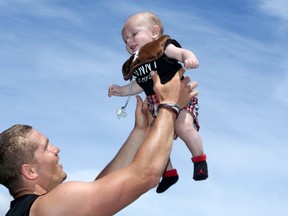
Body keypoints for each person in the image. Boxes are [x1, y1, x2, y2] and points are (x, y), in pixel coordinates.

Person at [0, 69, 198, 216]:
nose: (56, 149)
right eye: (45, 147)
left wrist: (140, 131)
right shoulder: (47, 208)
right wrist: (170, 105)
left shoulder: (31, 210)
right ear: (30, 171)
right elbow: (145, 175)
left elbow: (101, 189)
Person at [108, 11, 208, 193]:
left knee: (183, 127)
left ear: (154, 32)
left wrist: (188, 57)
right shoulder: (137, 63)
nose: (129, 41)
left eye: (134, 34)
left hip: (179, 94)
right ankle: (168, 173)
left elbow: (181, 52)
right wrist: (121, 91)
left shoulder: (161, 47)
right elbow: (139, 84)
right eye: (125, 40)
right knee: (156, 138)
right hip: (156, 103)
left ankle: (199, 161)